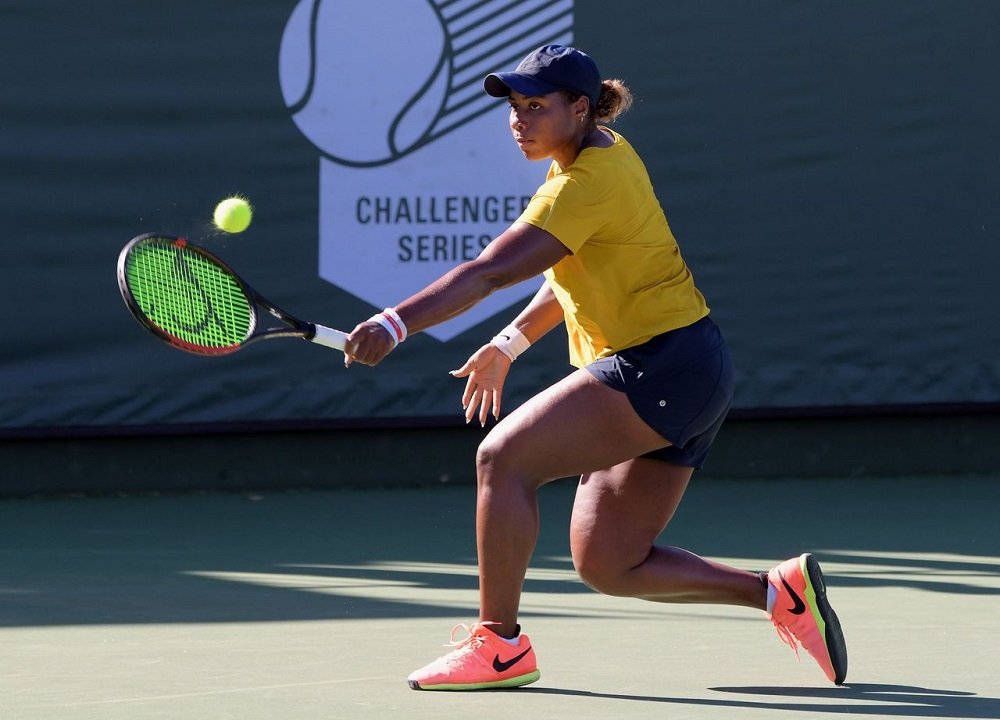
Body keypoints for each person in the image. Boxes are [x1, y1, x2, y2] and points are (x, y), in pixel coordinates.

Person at [343, 44, 847, 691]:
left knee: (503, 459)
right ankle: (778, 594)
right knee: (609, 563)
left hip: (656, 367)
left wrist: (395, 322)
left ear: (579, 108)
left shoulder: (584, 184)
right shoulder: (599, 152)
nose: (519, 121)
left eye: (535, 106)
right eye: (514, 108)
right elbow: (566, 275)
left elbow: (490, 270)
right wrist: (508, 344)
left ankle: (498, 646)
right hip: (690, 369)